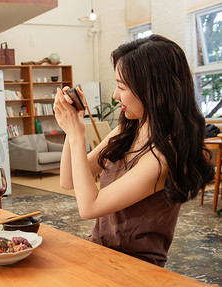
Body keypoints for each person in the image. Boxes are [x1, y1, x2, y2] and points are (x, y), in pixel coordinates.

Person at [54, 34, 214, 267]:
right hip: (100, 255)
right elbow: (68, 180)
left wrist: (78, 136)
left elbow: (89, 207)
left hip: (136, 269)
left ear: (151, 90)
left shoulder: (163, 156)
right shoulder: (127, 130)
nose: (115, 96)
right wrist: (72, 131)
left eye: (121, 86)